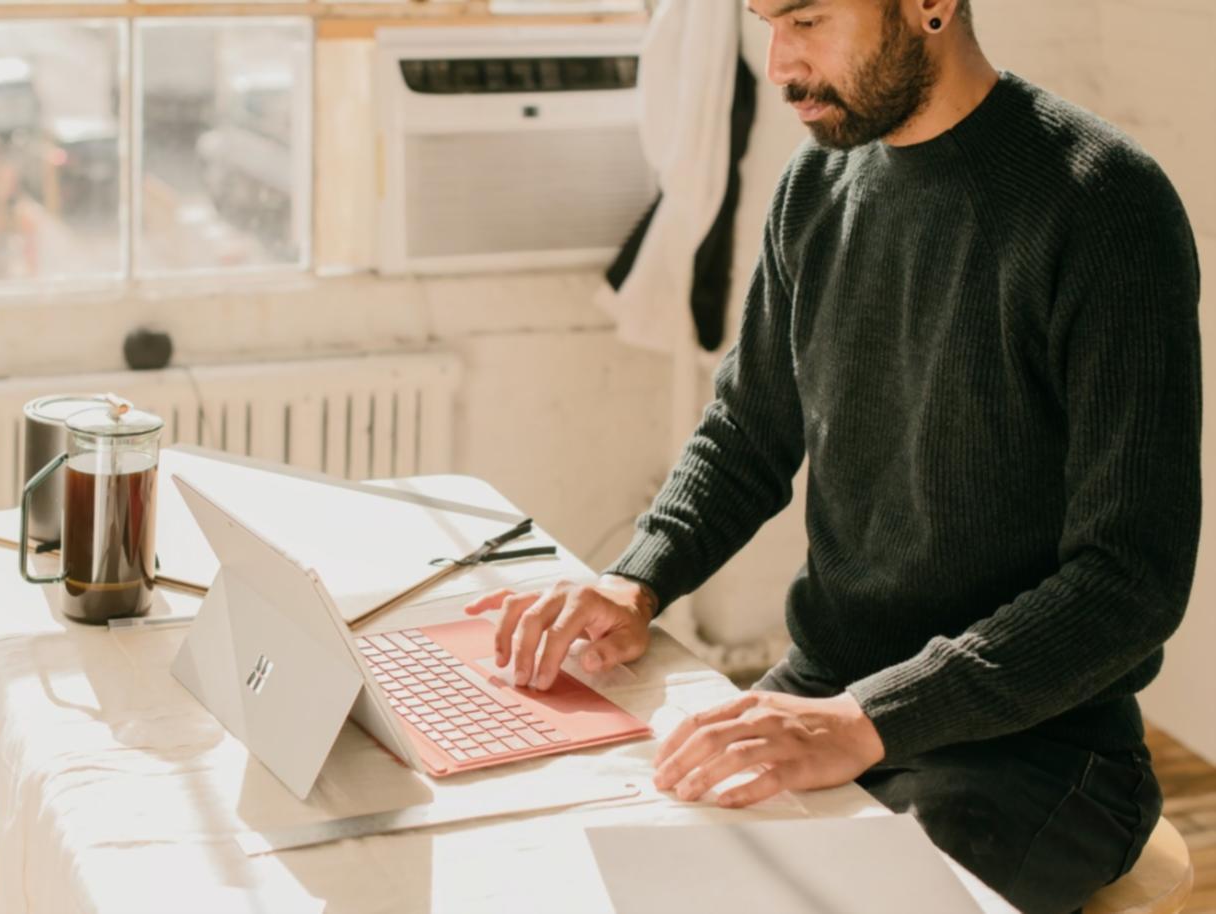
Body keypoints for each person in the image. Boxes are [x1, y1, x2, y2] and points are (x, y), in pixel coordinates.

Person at [463, 1, 1202, 911]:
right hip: (831, 694)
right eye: (766, 22)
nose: (779, 65)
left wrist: (870, 720)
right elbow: (747, 431)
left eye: (807, 20)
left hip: (1041, 752)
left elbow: (1132, 579)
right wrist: (635, 581)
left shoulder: (1102, 203)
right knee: (604, 870)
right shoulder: (816, 184)